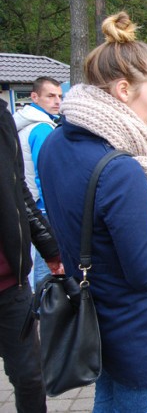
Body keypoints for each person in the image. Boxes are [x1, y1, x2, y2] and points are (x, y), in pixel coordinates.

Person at [38, 12, 147, 412]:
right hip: (134, 331)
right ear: (123, 89)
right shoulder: (120, 168)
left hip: (93, 319)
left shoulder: (56, 143)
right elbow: (146, 272)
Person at [0, 97, 63, 413]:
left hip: (10, 283)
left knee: (29, 378)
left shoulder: (3, 119)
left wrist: (51, 249)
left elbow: (18, 191)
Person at [13, 76, 63, 290]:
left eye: (60, 96)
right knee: (48, 269)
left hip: (26, 204)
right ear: (34, 96)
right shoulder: (42, 129)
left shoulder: (22, 123)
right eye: (50, 96)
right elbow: (46, 173)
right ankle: (45, 313)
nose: (57, 101)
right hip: (41, 206)